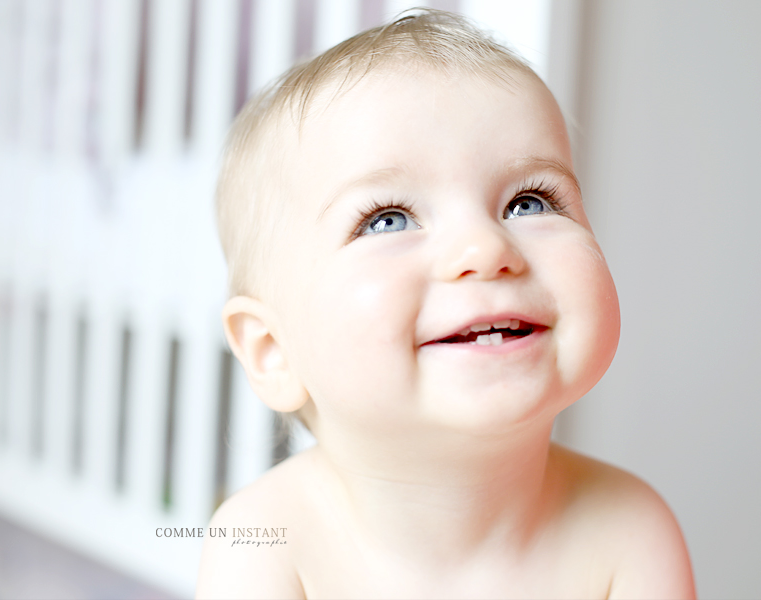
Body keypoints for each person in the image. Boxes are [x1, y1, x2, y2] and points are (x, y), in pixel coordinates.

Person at [197, 9, 695, 599]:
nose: (485, 248)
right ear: (274, 351)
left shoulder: (631, 532)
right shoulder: (263, 543)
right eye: (388, 219)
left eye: (529, 202)